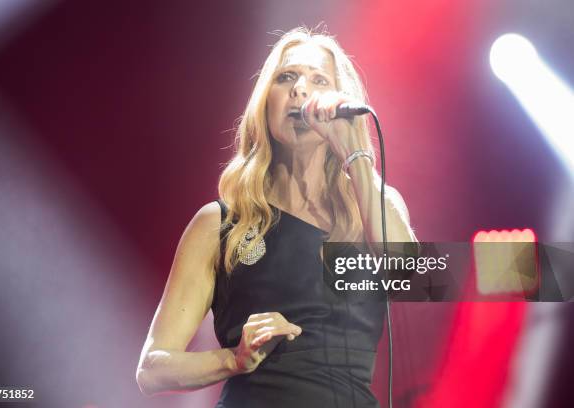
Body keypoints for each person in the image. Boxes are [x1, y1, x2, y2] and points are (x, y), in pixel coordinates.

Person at [136, 26, 417, 407]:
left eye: (318, 80)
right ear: (265, 101)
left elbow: (412, 280)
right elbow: (152, 370)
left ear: (340, 102)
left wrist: (357, 159)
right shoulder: (220, 224)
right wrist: (232, 359)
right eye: (287, 78)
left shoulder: (375, 206)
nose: (300, 89)